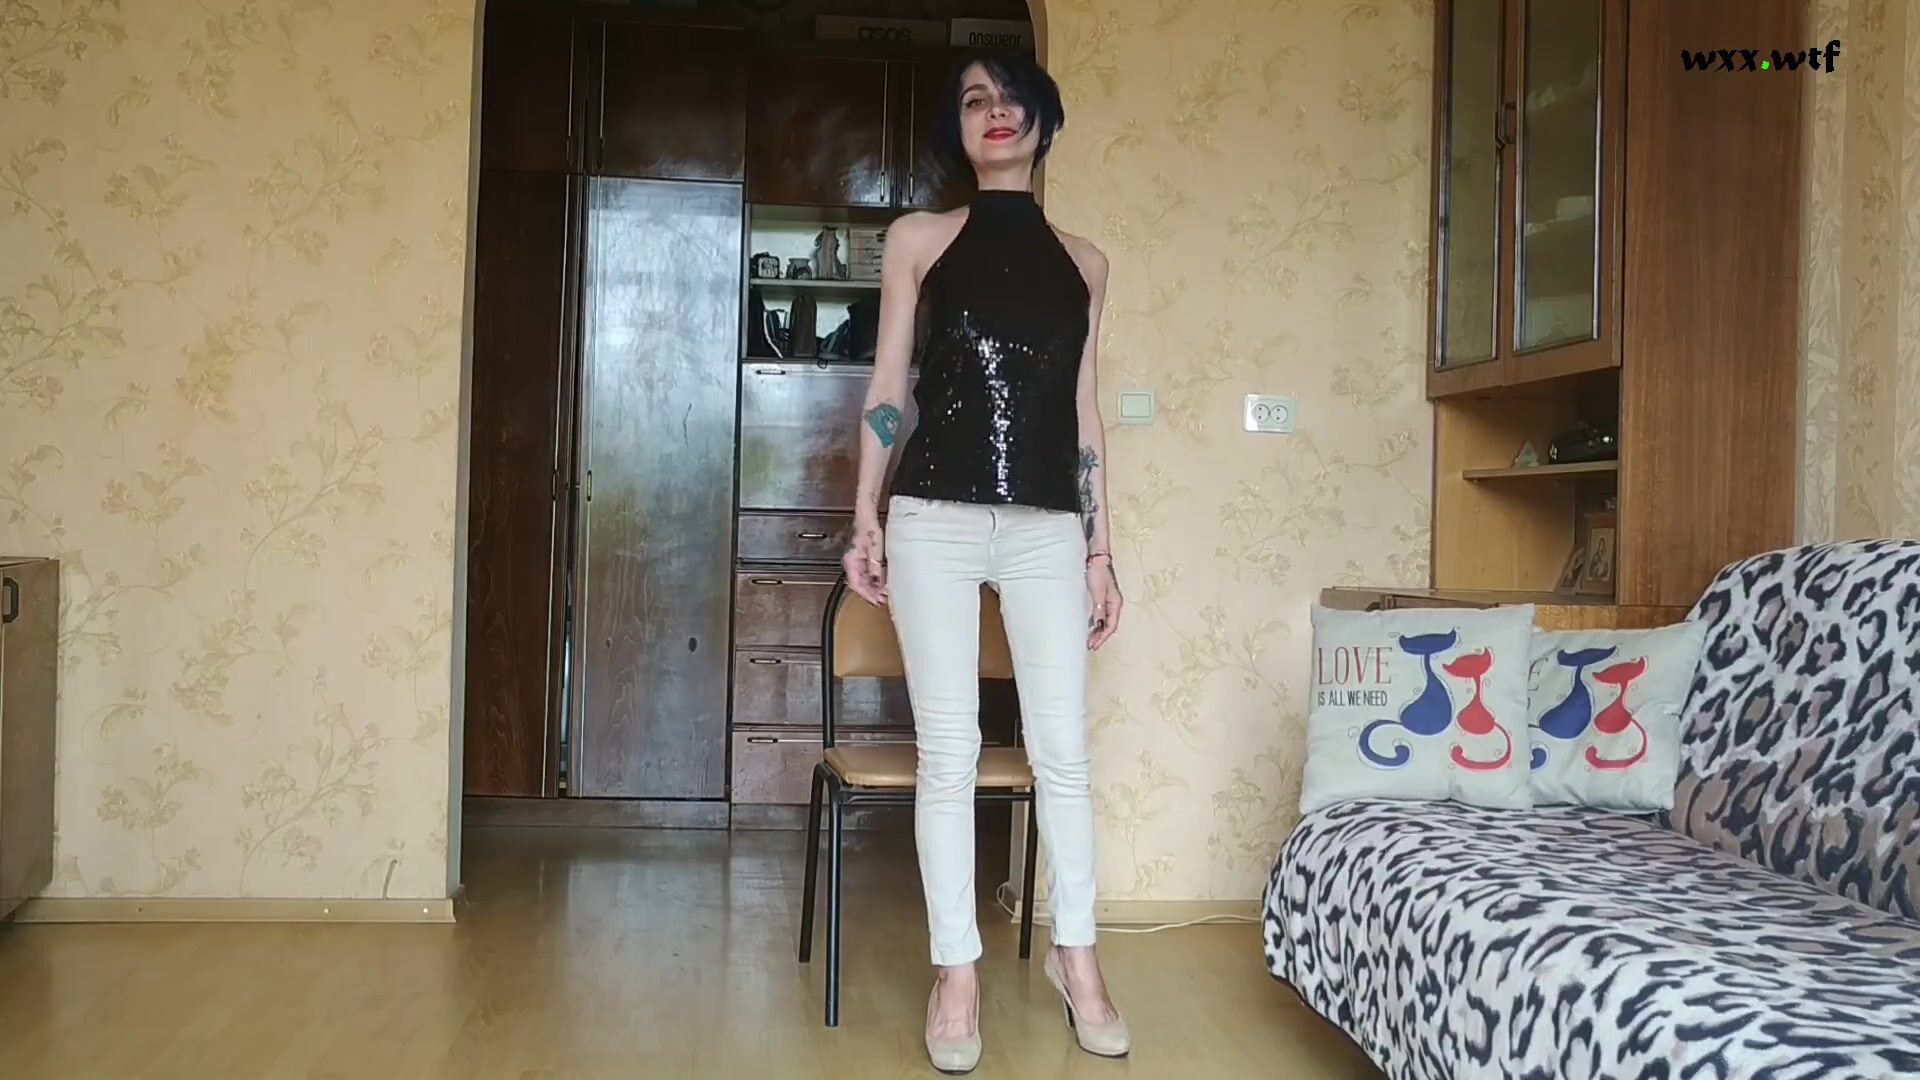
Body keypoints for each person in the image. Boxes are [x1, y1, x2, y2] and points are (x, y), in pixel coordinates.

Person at [840, 48, 1128, 1074]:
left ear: (1044, 120)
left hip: (1048, 524)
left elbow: (1083, 414)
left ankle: (1076, 959)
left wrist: (1100, 548)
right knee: (950, 752)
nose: (994, 111)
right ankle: (955, 972)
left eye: (1011, 98)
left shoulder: (1086, 263)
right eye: (974, 100)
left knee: (1063, 752)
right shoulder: (919, 239)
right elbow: (889, 385)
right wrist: (865, 514)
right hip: (934, 517)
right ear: (958, 131)